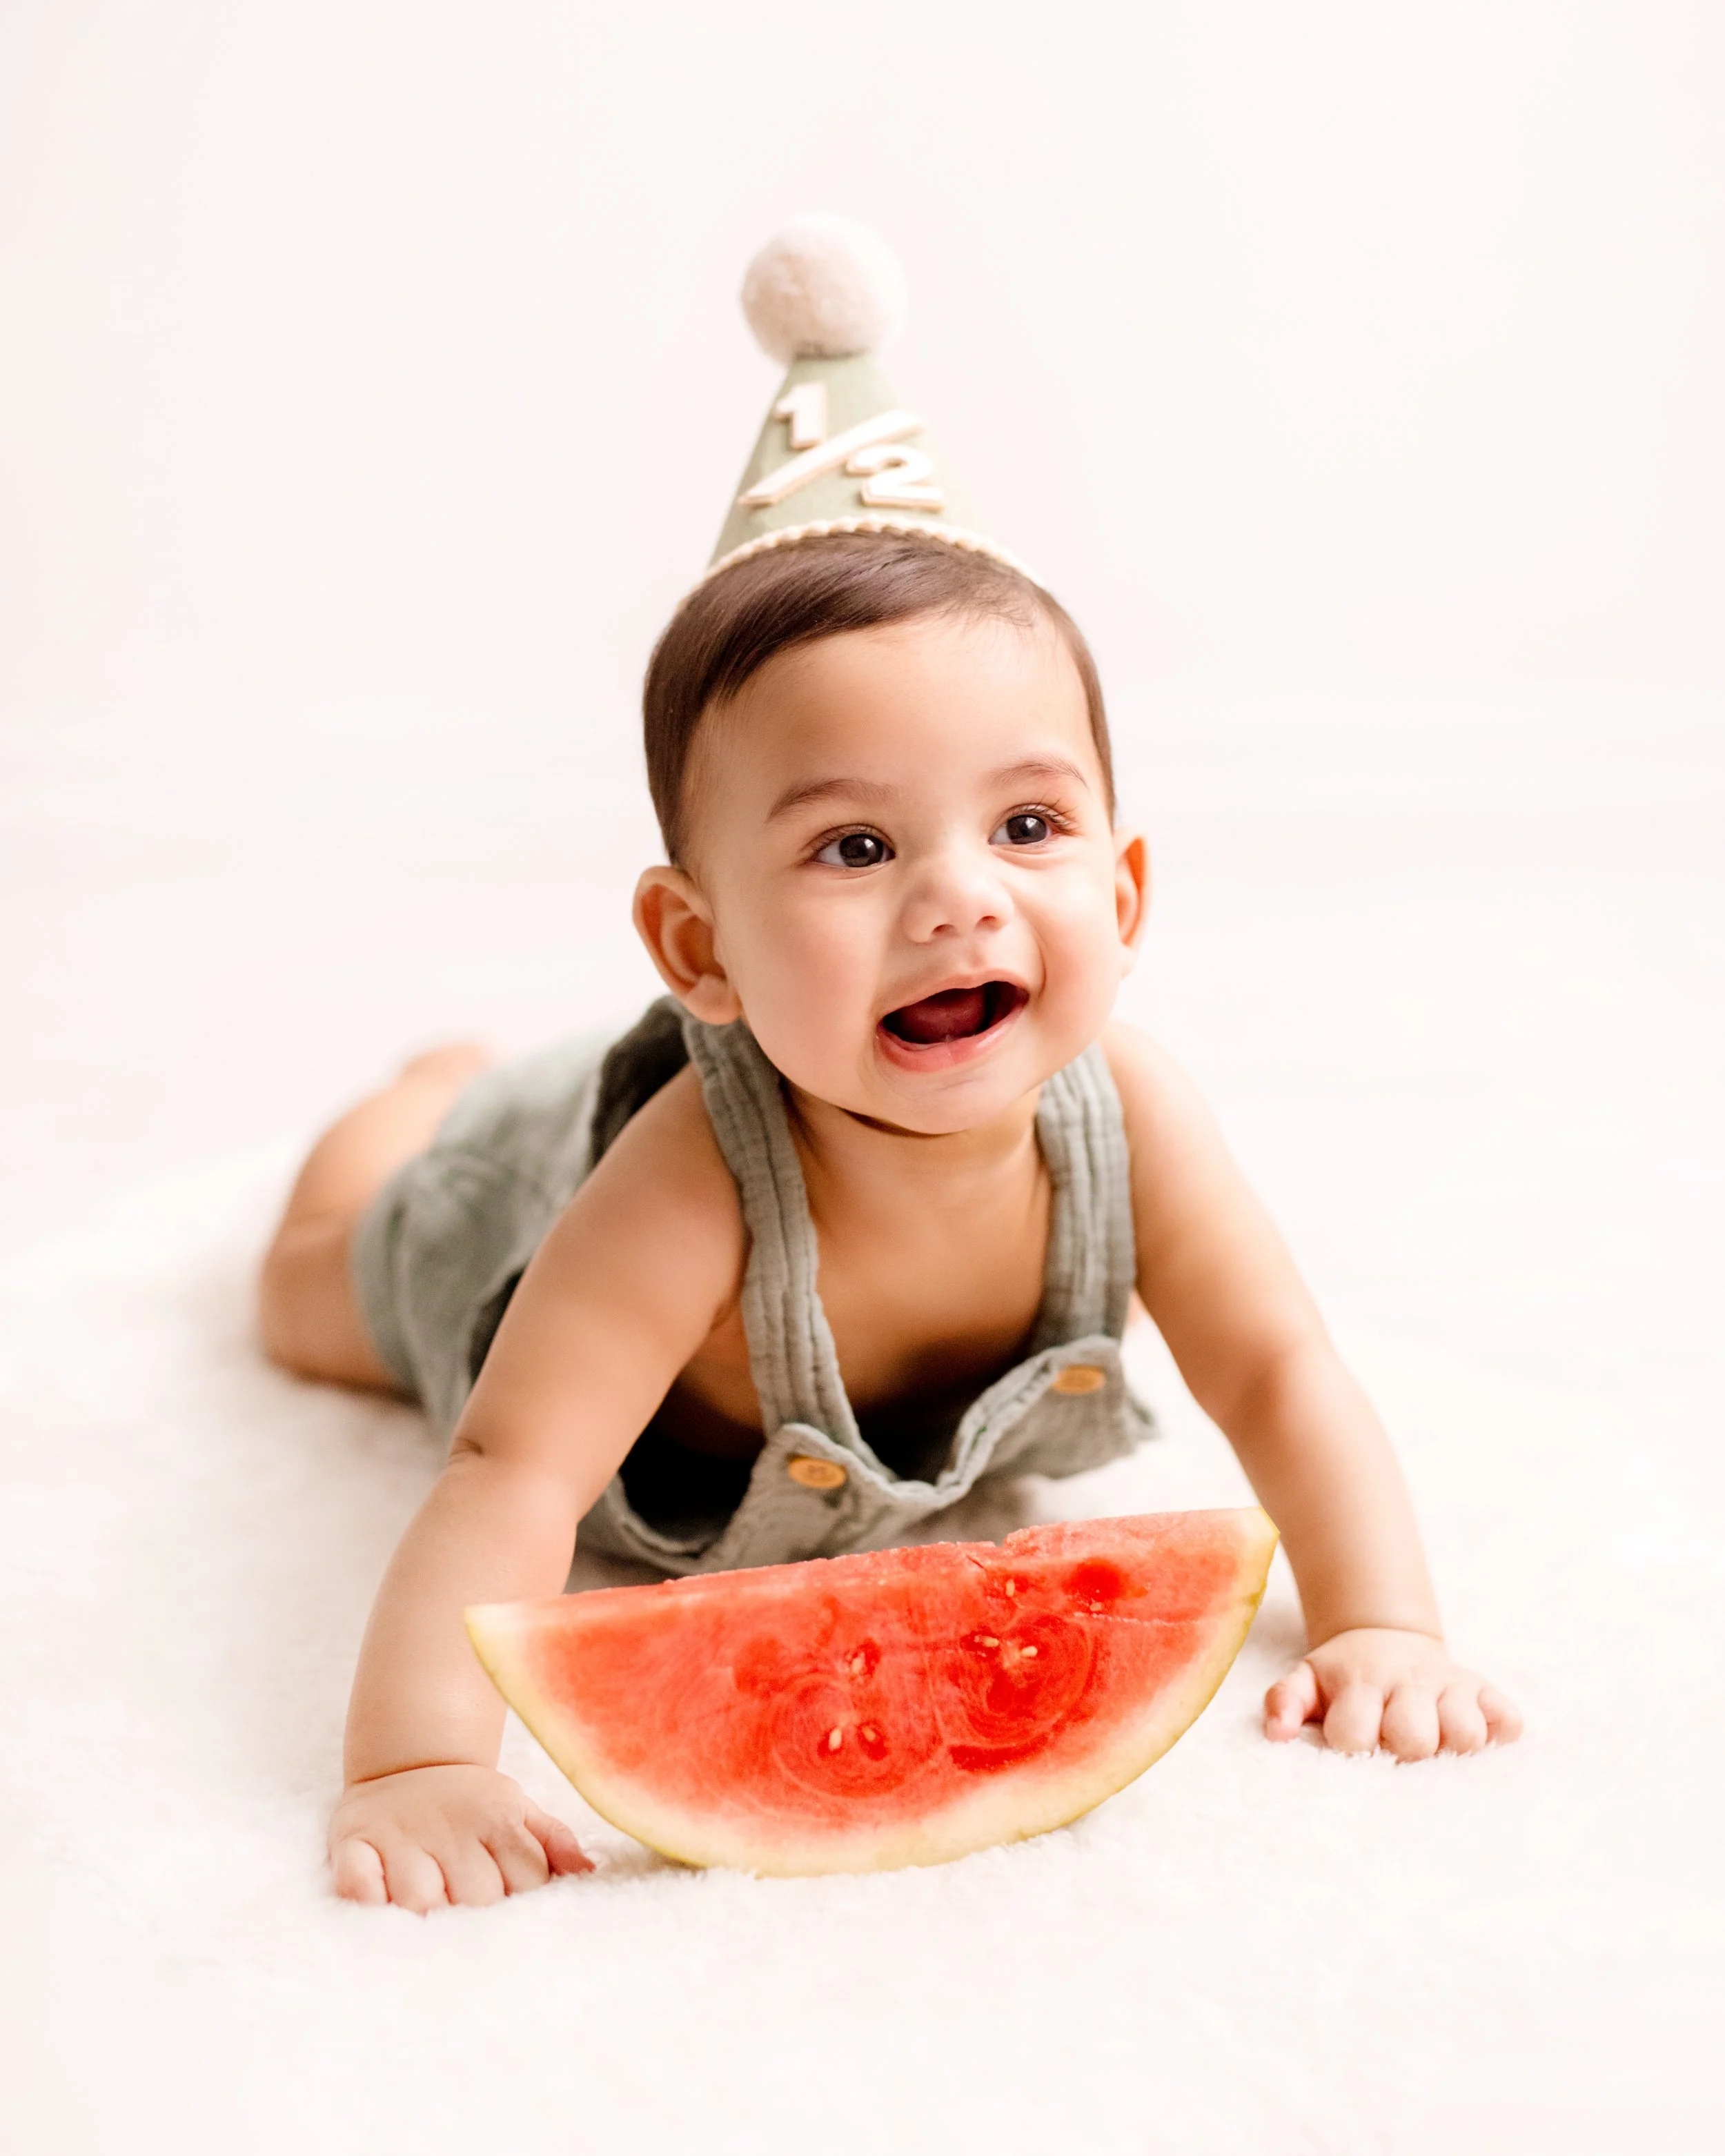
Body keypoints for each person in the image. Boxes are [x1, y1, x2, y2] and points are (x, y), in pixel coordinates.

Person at [259, 220, 1521, 1913]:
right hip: (505, 1215)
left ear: (1123, 891)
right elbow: (513, 1473)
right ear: (696, 948)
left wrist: (1382, 1620)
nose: (957, 896)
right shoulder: (685, 1190)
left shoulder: (1129, 1113)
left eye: (1025, 823)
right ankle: (422, 1093)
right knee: (304, 1300)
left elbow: (1281, 1368)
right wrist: (416, 1763)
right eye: (854, 846)